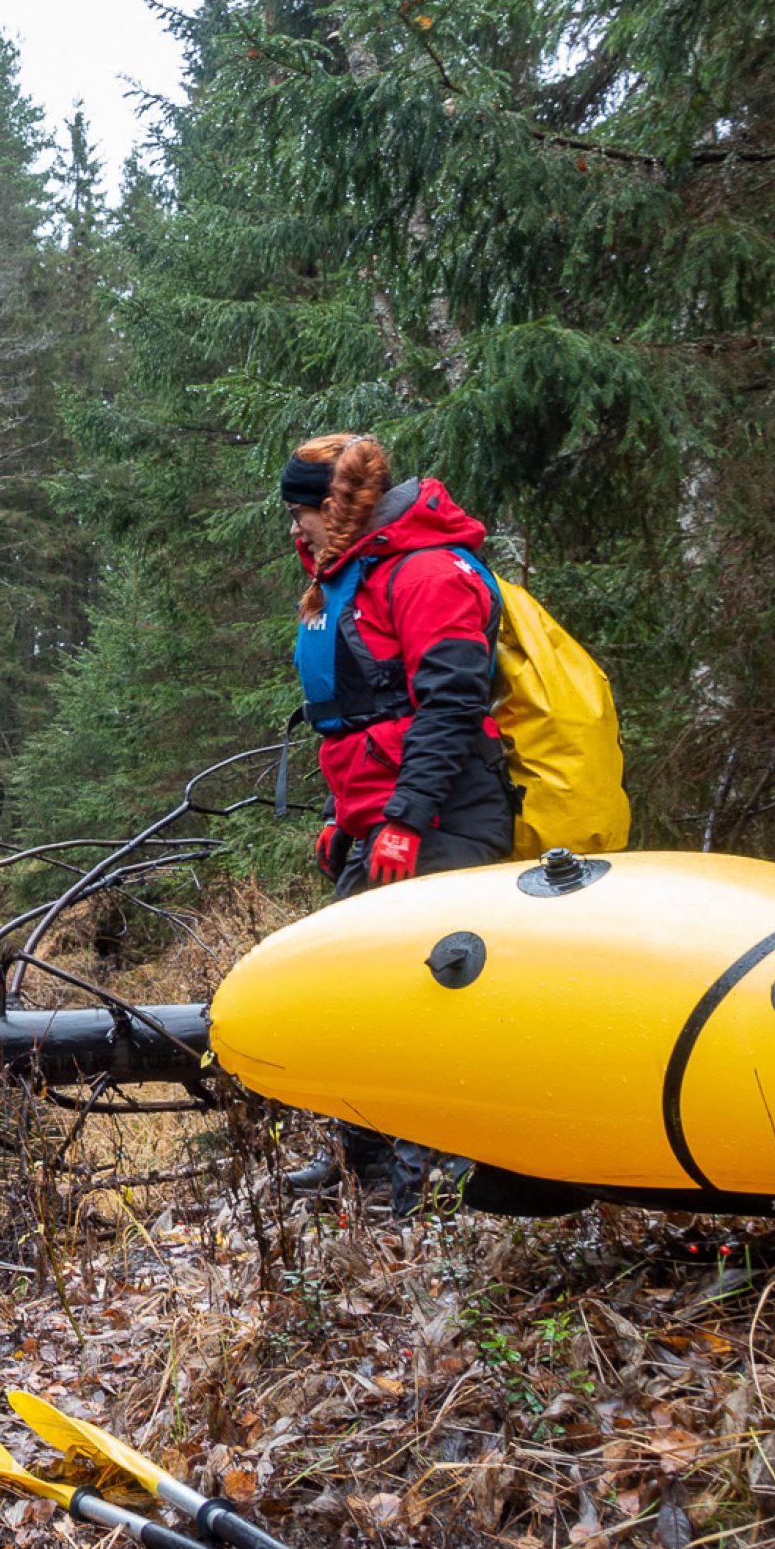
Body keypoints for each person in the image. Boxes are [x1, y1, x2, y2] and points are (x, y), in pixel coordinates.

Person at [274, 433, 516, 1208]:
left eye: (301, 512)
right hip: (384, 816)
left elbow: (451, 707)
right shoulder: (352, 578)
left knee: (427, 996)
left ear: (338, 508)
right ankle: (365, 1161)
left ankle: (433, 1176)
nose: (294, 529)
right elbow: (358, 718)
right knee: (346, 983)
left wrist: (407, 819)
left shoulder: (427, 574)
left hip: (450, 813)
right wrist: (344, 819)